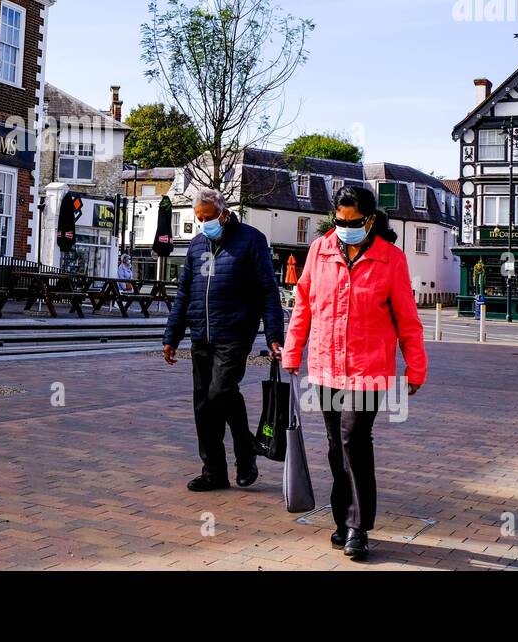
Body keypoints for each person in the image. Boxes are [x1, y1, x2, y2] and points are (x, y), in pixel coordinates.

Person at [281, 185, 427, 560]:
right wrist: (292, 351)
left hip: (369, 369)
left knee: (354, 440)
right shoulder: (320, 251)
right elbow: (304, 306)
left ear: (371, 220)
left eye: (353, 222)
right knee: (334, 446)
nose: (345, 227)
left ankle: (359, 527)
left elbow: (408, 319)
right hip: (327, 366)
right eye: (339, 220)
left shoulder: (390, 259)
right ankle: (343, 518)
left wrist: (416, 366)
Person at [162, 188, 284, 492]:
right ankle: (214, 471)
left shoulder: (251, 240)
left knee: (220, 392)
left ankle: (246, 454)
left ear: (224, 213)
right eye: (199, 218)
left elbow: (268, 292)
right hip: (200, 333)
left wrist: (274, 336)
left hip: (234, 332)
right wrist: (172, 336)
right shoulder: (195, 246)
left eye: (209, 217)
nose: (204, 223)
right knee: (203, 404)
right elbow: (184, 294)